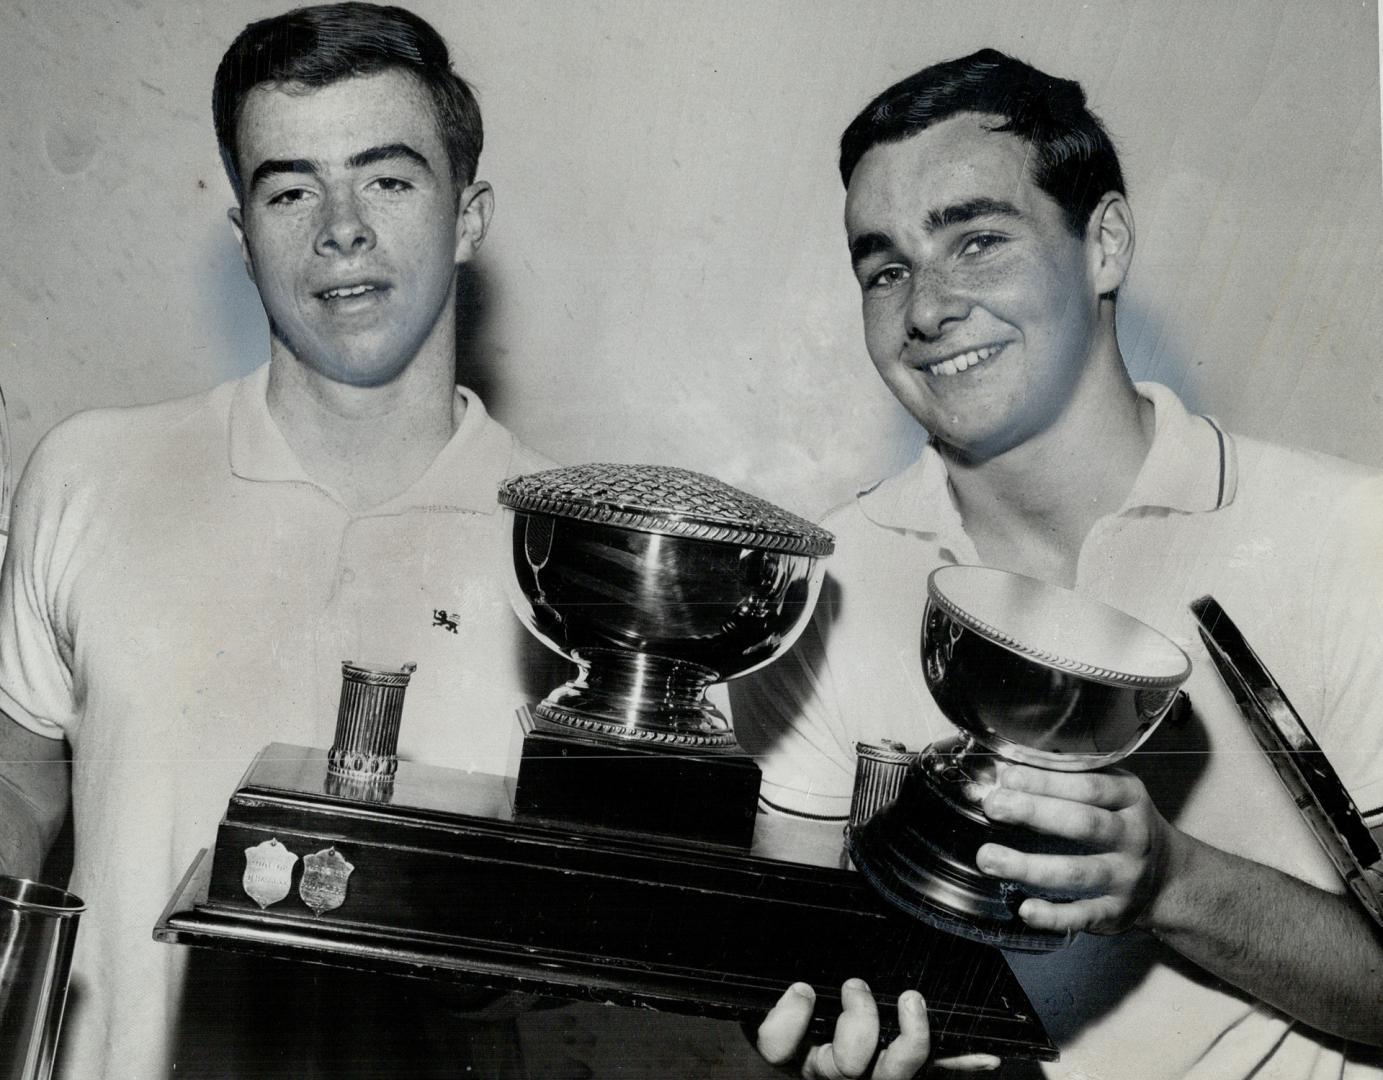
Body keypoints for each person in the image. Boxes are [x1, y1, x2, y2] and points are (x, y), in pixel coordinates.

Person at [740, 50, 1383, 1080]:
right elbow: (800, 964)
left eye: (979, 241)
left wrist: (1173, 880)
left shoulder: (1350, 530)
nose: (927, 309)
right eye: (884, 267)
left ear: (1105, 245)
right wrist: (826, 1044)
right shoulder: (824, 580)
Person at [0, 4, 572, 1076]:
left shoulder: (569, 555)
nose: (339, 229)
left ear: (470, 214)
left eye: (389, 179)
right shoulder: (90, 471)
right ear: (243, 235)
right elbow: (22, 767)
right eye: (291, 187)